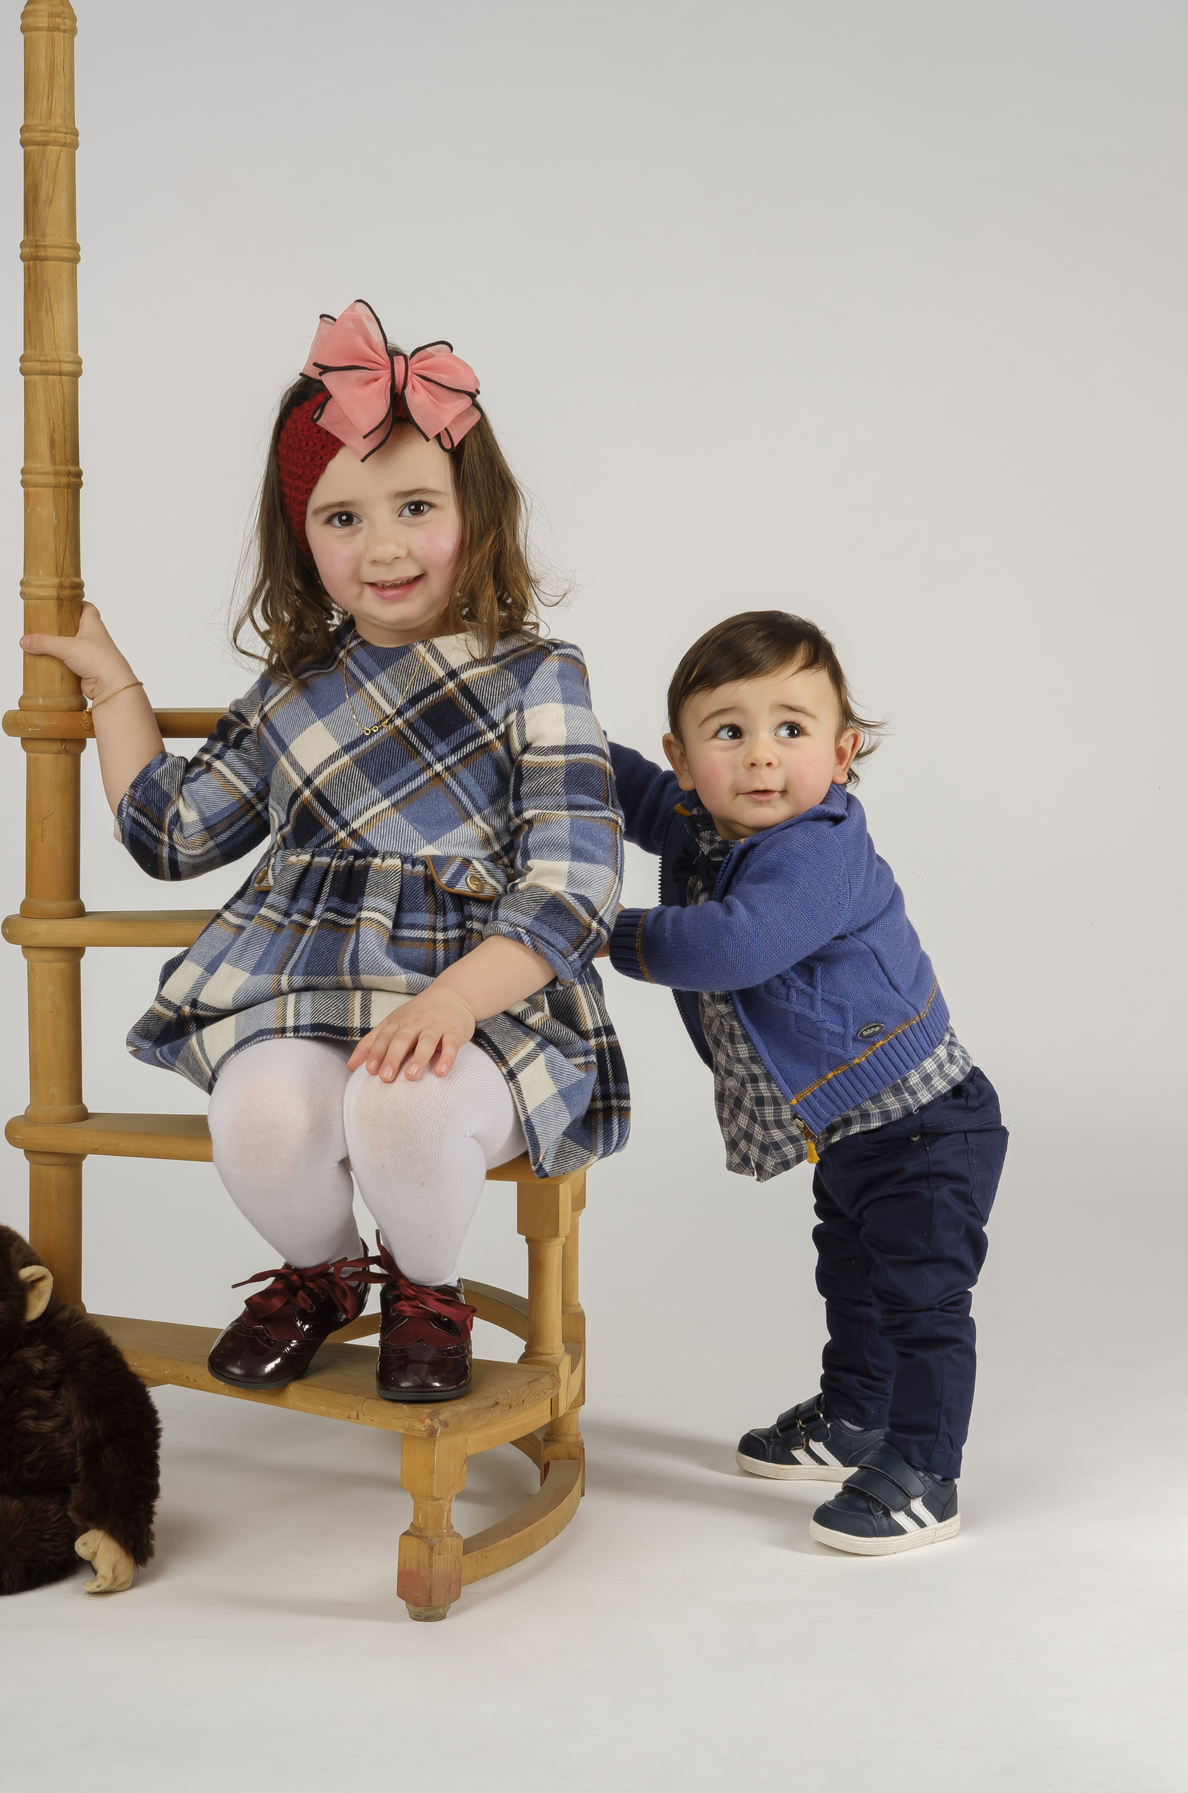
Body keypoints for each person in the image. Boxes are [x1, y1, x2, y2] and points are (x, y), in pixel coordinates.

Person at [22, 299, 628, 1405]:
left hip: (482, 1003)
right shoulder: (299, 686)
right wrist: (115, 684)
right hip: (306, 991)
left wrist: (452, 1001)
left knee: (403, 1102)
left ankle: (426, 1286)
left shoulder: (534, 674)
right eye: (341, 518)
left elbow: (571, 885)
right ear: (300, 536)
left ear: (474, 513)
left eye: (413, 505)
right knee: (255, 1114)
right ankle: (322, 1275)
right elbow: (175, 831)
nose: (383, 546)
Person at [605, 611, 1007, 1554]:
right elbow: (625, 788)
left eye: (792, 729)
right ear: (685, 751)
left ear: (843, 748)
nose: (760, 759)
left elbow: (736, 945)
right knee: (852, 1278)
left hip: (928, 1126)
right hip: (851, 1132)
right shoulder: (700, 823)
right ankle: (855, 1417)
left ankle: (926, 1471)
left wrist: (590, 927)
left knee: (921, 1301)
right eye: (728, 731)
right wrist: (556, 731)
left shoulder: (819, 845)